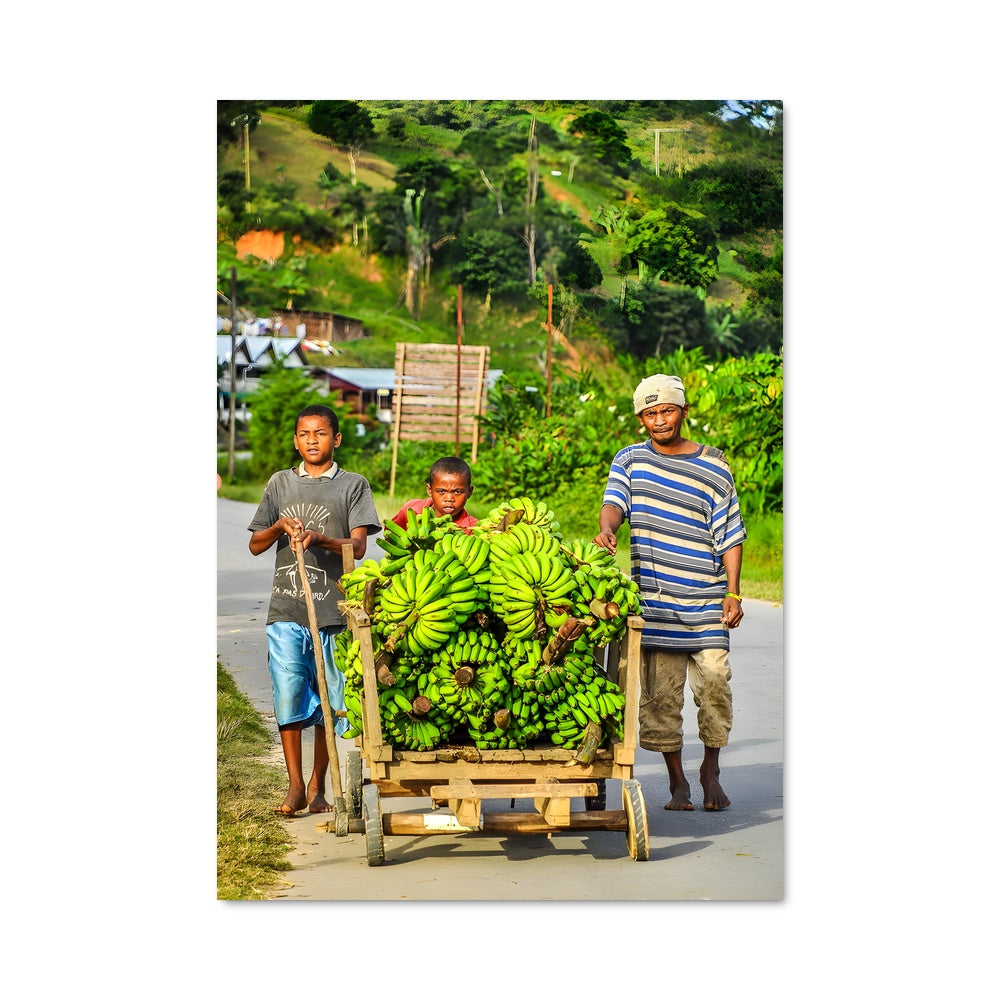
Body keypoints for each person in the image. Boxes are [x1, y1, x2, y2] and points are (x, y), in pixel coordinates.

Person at [594, 374, 747, 812]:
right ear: (640, 419)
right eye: (650, 413)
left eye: (667, 410)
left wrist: (733, 592)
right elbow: (614, 503)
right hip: (655, 603)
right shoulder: (630, 460)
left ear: (683, 411)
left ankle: (710, 768)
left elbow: (730, 532)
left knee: (715, 686)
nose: (660, 420)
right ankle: (678, 781)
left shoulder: (714, 465)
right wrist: (608, 529)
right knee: (660, 699)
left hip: (706, 599)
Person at [248, 404, 381, 816]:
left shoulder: (353, 486)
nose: (312, 440)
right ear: (295, 440)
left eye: (320, 433)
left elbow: (358, 547)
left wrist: (320, 539)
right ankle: (293, 785)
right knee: (288, 693)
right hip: (287, 610)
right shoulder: (280, 483)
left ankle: (317, 786)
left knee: (331, 699)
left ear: (335, 439)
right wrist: (278, 527)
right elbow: (255, 545)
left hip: (334, 613)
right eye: (304, 434)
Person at [391, 456, 478, 533]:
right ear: (429, 490)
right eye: (441, 491)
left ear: (469, 492)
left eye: (457, 492)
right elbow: (390, 535)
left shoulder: (473, 528)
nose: (449, 498)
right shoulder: (411, 510)